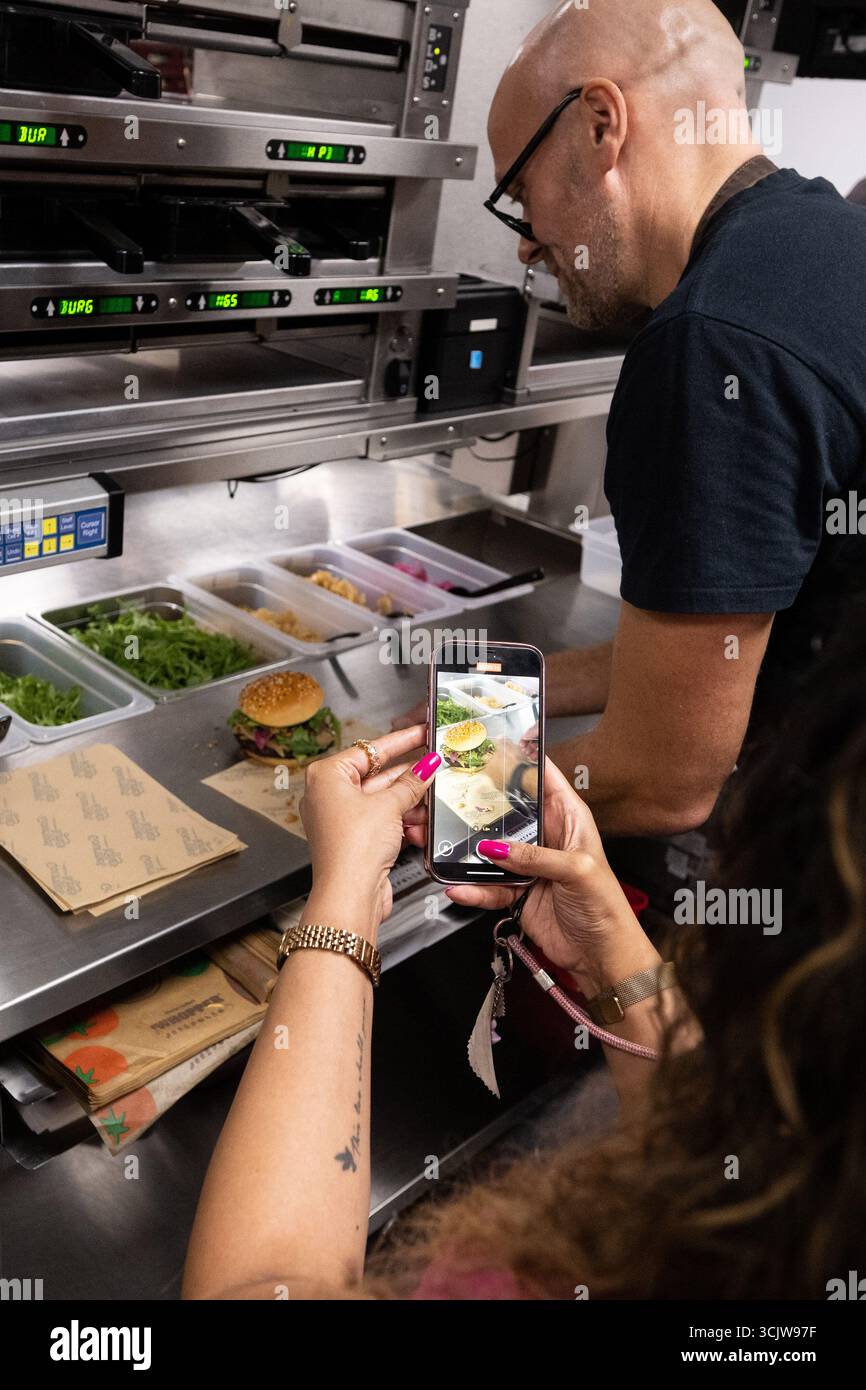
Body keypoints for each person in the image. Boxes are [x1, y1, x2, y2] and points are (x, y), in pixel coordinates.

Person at [183, 600, 866, 1301]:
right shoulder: (799, 1219)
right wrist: (610, 952)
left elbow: (260, 1288)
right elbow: (716, 1150)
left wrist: (344, 898)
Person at [399, 0, 866, 840]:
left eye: (519, 194)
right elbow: (705, 651)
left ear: (601, 124)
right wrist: (491, 694)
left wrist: (439, 792)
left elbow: (664, 780)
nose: (527, 245)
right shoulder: (828, 237)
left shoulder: (710, 343)